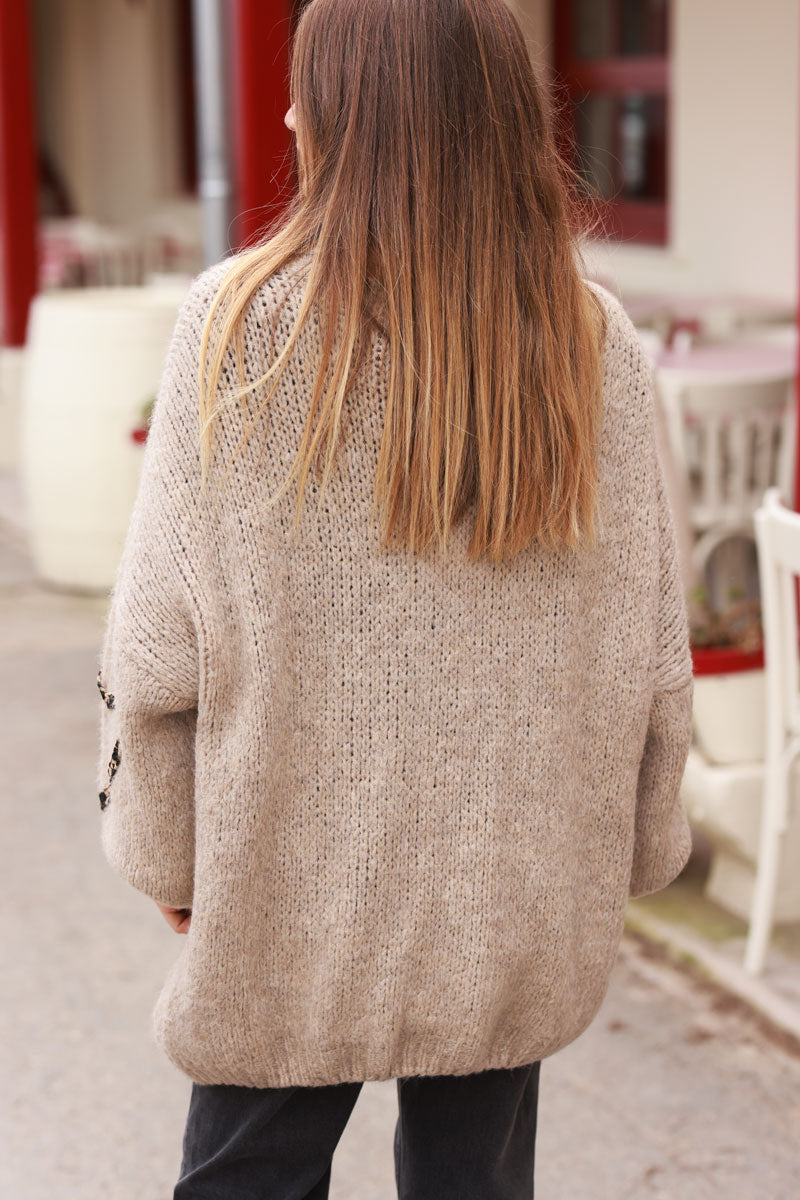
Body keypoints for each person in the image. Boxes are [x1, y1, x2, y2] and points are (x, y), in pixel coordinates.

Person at [95, 0, 694, 1196]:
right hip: (513, 890)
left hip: (284, 881)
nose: (280, 113)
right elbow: (650, 640)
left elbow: (156, 644)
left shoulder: (241, 327)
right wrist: (637, 842)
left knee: (244, 1178)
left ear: (345, 120)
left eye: (303, 92)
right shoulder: (589, 340)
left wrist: (166, 858)